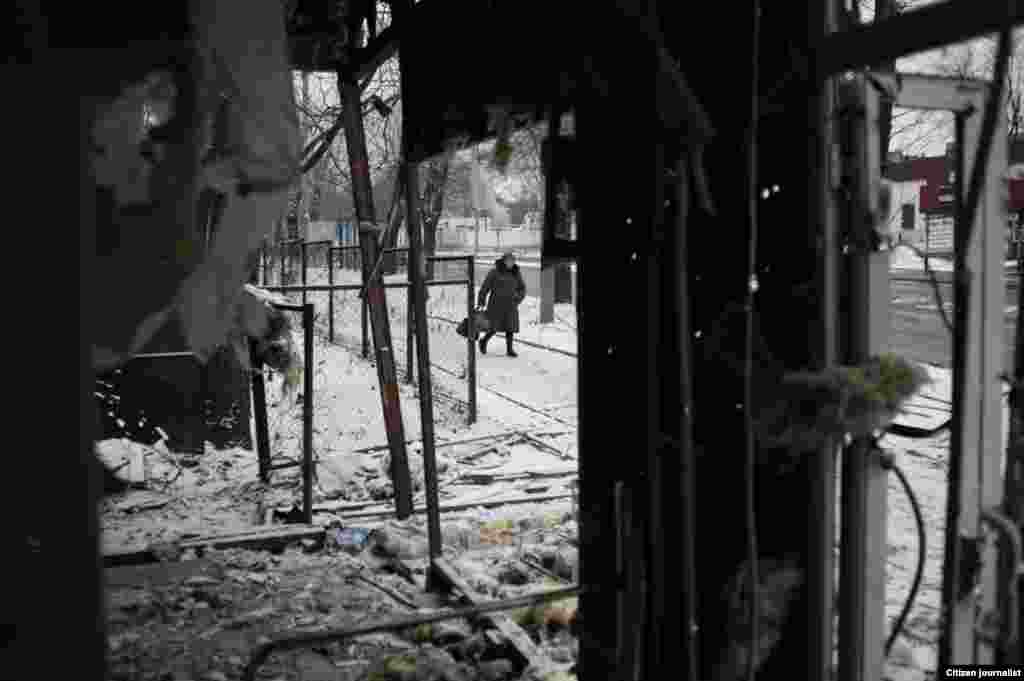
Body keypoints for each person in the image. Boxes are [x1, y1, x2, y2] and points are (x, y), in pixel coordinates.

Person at [476, 251, 526, 357]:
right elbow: (485, 287)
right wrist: (481, 301)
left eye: (512, 261)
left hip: (511, 304)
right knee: (493, 327)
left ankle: (509, 350)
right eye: (508, 261)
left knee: (510, 327)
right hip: (496, 303)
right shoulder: (494, 272)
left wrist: (518, 298)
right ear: (503, 261)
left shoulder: (516, 272)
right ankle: (484, 341)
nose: (511, 263)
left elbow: (522, 288)